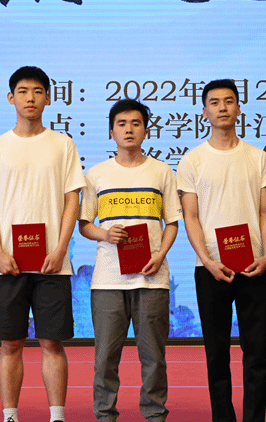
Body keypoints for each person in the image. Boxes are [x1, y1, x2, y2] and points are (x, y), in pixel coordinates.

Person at [0, 66, 86, 422]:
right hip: (9, 263)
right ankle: (10, 415)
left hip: (53, 262)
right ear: (11, 98)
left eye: (38, 91)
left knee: (52, 342)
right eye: (23, 91)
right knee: (11, 343)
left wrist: (61, 249)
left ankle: (57, 416)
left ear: (48, 98)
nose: (30, 98)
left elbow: (72, 199)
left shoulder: (63, 145)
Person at [176, 79, 266, 422]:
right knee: (216, 352)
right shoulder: (192, 160)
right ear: (204, 112)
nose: (222, 108)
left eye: (229, 101)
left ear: (239, 109)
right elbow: (190, 217)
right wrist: (207, 260)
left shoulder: (258, 157)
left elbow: (265, 211)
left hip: (253, 266)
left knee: (256, 353)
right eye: (215, 102)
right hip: (211, 270)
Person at [79, 99, 182, 422]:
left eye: (136, 123)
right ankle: (105, 414)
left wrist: (160, 255)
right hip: (108, 280)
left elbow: (172, 222)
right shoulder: (96, 174)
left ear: (146, 131)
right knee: (105, 358)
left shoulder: (161, 171)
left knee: (154, 358)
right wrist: (105, 234)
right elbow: (84, 225)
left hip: (152, 278)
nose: (129, 129)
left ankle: (155, 414)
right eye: (121, 124)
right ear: (111, 132)